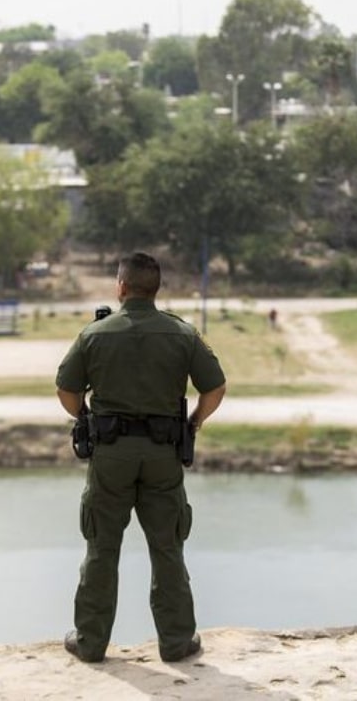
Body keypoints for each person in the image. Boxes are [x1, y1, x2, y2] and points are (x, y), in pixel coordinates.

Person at [55, 251, 226, 663]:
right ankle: (176, 643)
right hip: (163, 454)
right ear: (156, 289)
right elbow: (215, 388)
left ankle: (91, 643)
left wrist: (86, 417)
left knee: (101, 548)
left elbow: (65, 388)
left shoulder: (94, 334)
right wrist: (194, 424)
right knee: (167, 547)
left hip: (111, 455)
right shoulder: (182, 334)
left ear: (121, 287)